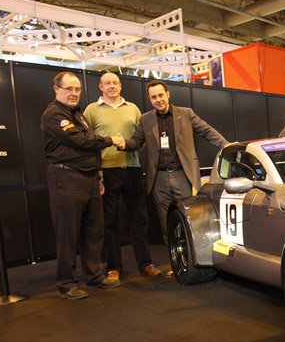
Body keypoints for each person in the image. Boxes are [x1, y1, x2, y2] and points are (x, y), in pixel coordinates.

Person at [117, 80, 229, 277]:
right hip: (158, 178)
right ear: (150, 99)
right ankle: (177, 264)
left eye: (161, 95)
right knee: (166, 224)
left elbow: (206, 130)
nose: (158, 100)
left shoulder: (185, 114)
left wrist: (226, 146)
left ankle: (196, 264)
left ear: (168, 94)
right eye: (153, 97)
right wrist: (122, 143)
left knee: (188, 221)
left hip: (182, 175)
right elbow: (136, 142)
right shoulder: (146, 119)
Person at [42, 71, 124, 299]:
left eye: (77, 89)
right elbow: (82, 141)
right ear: (56, 89)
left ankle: (94, 275)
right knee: (67, 233)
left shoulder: (79, 115)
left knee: (94, 230)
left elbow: (89, 147)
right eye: (69, 89)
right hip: (66, 179)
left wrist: (98, 177)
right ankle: (67, 283)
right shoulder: (53, 115)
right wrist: (111, 140)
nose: (74, 93)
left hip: (89, 179)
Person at [83, 72, 162, 280]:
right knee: (109, 222)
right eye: (107, 83)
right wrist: (97, 171)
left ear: (120, 86)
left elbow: (141, 137)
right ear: (100, 86)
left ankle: (145, 264)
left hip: (132, 169)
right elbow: (87, 141)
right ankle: (113, 267)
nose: (112, 86)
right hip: (106, 171)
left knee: (140, 220)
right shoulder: (91, 110)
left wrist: (133, 152)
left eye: (115, 83)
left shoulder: (133, 108)